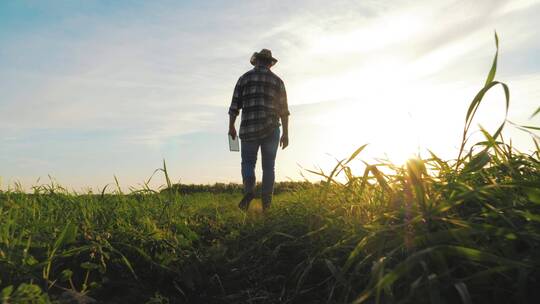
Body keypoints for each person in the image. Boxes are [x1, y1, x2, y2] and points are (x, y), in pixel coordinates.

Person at [228, 48, 290, 212]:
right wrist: (286, 133)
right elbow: (284, 110)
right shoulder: (278, 81)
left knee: (248, 163)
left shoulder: (244, 78)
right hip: (271, 129)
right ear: (270, 63)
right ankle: (266, 206)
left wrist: (231, 126)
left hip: (249, 128)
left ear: (256, 61)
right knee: (269, 167)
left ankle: (249, 192)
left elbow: (235, 106)